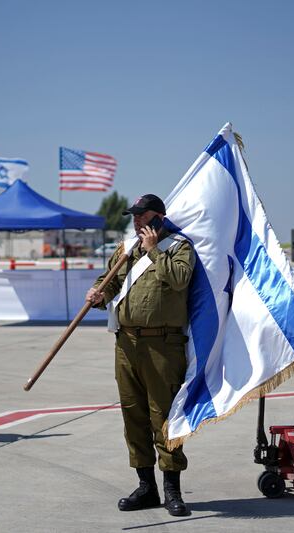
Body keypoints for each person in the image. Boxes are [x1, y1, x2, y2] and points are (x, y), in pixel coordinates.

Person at [85, 194, 193, 517]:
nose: (136, 222)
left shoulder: (178, 247)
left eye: (142, 217)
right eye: (134, 217)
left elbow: (179, 278)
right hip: (126, 344)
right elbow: (110, 283)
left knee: (164, 418)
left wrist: (153, 251)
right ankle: (146, 486)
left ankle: (172, 489)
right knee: (133, 416)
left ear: (158, 218)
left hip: (163, 346)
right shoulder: (125, 250)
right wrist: (98, 293)